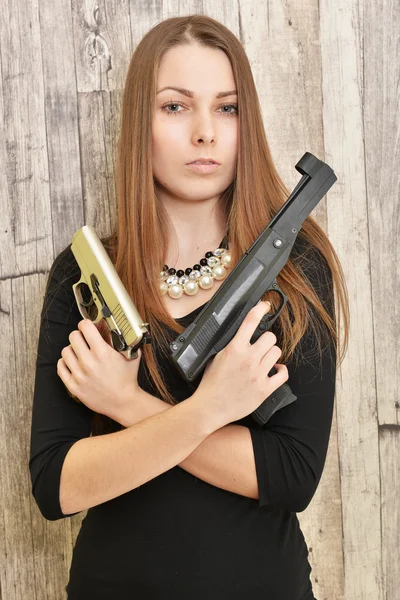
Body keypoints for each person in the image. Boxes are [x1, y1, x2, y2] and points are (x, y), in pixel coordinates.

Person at [29, 14, 350, 600]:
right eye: (176, 107)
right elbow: (58, 486)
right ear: (139, 124)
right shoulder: (86, 276)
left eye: (226, 108)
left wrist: (126, 403)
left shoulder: (299, 273)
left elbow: (290, 476)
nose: (205, 132)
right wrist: (209, 412)